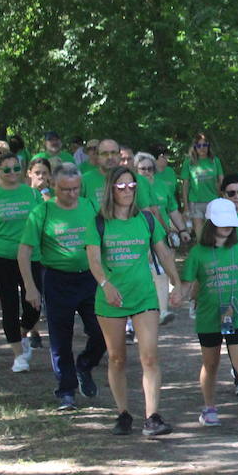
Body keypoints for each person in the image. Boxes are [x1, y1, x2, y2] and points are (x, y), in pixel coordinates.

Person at [85, 165, 184, 436]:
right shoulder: (98, 222)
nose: (127, 191)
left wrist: (176, 281)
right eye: (121, 186)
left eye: (132, 186)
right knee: (116, 358)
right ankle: (123, 413)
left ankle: (152, 417)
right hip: (111, 299)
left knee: (150, 357)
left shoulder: (146, 220)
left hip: (144, 297)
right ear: (111, 190)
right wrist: (106, 286)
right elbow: (93, 259)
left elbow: (162, 253)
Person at [18, 163, 104, 410]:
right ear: (54, 186)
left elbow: (105, 237)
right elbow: (24, 251)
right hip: (57, 280)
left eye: (76, 188)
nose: (72, 194)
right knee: (60, 338)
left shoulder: (89, 206)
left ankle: (84, 366)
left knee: (101, 332)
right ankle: (66, 390)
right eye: (66, 189)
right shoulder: (42, 212)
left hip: (90, 277)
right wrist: (30, 286)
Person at [182, 197, 238, 427]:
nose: (227, 227)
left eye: (230, 222)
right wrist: (179, 294)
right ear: (210, 223)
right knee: (211, 363)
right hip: (208, 316)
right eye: (221, 222)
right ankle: (209, 408)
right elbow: (189, 283)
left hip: (236, 314)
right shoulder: (198, 253)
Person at [0, 152, 43, 372]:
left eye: (16, 168)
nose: (12, 173)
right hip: (1, 258)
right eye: (7, 169)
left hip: (32, 257)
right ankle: (18, 355)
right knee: (10, 305)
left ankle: (21, 333)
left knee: (34, 306)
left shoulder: (32, 194)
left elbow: (45, 226)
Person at [135, 151, 188, 324]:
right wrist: (168, 229)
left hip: (162, 235)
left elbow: (172, 209)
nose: (147, 172)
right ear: (136, 170)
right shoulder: (133, 186)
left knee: (161, 272)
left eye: (150, 168)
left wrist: (181, 230)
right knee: (148, 272)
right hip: (142, 234)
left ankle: (162, 311)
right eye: (142, 169)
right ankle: (142, 312)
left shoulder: (161, 185)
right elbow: (153, 211)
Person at [181, 132, 225, 237]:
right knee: (199, 233)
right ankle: (201, 250)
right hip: (195, 202)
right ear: (194, 147)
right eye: (199, 145)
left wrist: (224, 199)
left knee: (213, 231)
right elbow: (185, 186)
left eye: (205, 145)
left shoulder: (214, 161)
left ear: (208, 146)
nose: (202, 148)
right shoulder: (189, 162)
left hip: (213, 200)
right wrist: (186, 207)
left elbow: (222, 181)